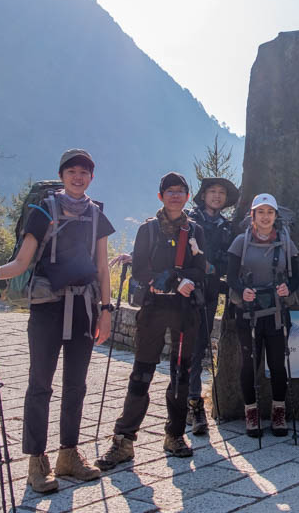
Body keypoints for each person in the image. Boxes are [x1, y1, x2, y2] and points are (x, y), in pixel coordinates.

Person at [0, 149, 114, 493]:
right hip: (47, 307)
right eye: (72, 172)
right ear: (62, 175)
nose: (78, 177)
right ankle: (36, 460)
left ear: (92, 177)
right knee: (40, 385)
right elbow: (21, 262)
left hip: (84, 307)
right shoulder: (42, 210)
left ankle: (68, 455)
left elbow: (103, 267)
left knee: (76, 385)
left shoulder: (96, 216)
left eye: (84, 172)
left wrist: (106, 311)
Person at [96, 172, 207, 470]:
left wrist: (182, 278)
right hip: (155, 308)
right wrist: (169, 281)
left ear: (187, 196)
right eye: (169, 191)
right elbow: (140, 272)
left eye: (180, 191)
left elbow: (202, 269)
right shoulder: (147, 230)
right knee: (142, 373)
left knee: (181, 375)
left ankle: (175, 435)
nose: (175, 195)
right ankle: (124, 440)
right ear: (160, 196)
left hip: (185, 311)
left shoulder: (195, 230)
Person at [226, 193, 299, 437]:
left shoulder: (286, 242)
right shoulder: (240, 242)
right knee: (249, 365)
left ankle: (279, 413)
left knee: (278, 365)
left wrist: (287, 288)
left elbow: (296, 277)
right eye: (261, 212)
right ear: (253, 216)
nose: (265, 217)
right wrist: (241, 290)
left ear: (276, 215)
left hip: (277, 313)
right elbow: (232, 276)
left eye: (270, 212)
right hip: (248, 314)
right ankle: (252, 414)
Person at [186, 177, 239, 435]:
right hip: (182, 292)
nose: (217, 196)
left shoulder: (227, 228)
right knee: (181, 349)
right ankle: (185, 402)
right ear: (203, 195)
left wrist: (210, 267)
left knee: (197, 349)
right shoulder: (188, 220)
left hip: (207, 294)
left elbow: (228, 263)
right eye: (212, 191)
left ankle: (193, 403)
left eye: (221, 193)